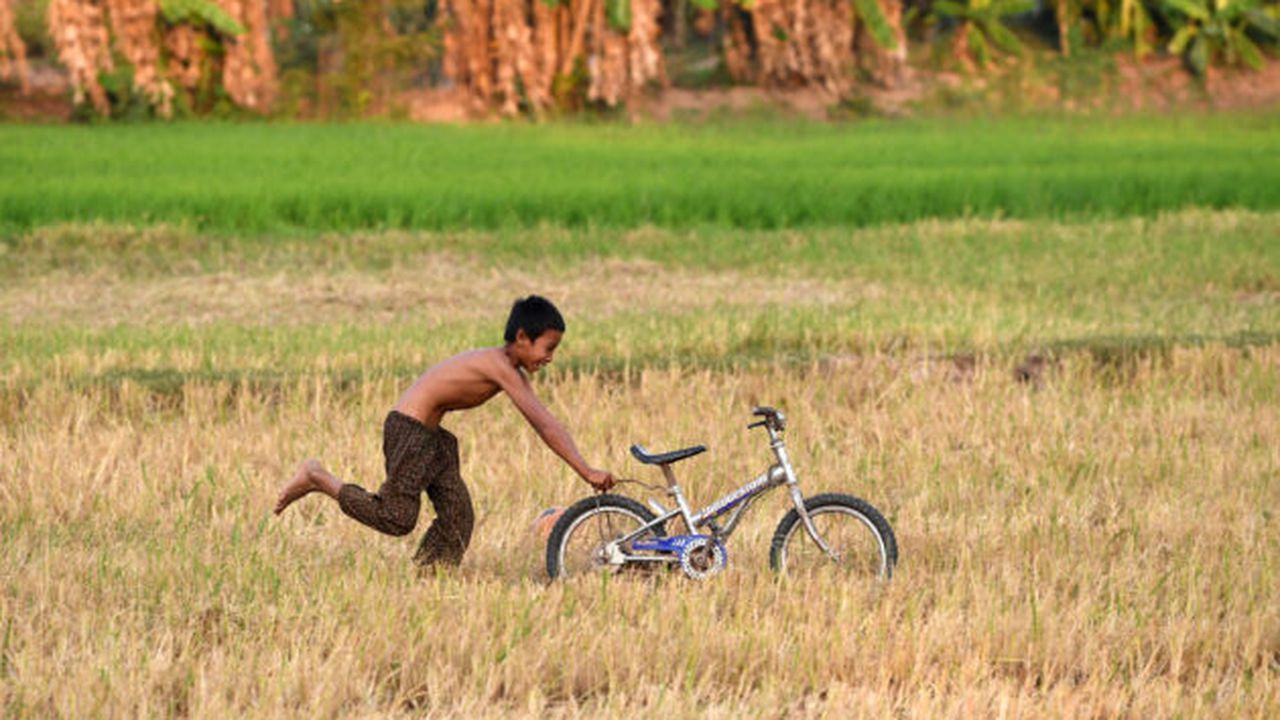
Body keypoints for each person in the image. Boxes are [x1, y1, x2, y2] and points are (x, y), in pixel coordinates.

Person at [274, 295, 616, 568]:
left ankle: (429, 575)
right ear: (522, 337)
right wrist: (585, 470)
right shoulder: (499, 366)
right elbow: (543, 423)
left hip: (433, 438)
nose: (550, 357)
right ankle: (318, 478)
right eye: (548, 347)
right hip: (410, 432)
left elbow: (544, 420)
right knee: (397, 518)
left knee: (458, 516)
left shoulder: (506, 368)